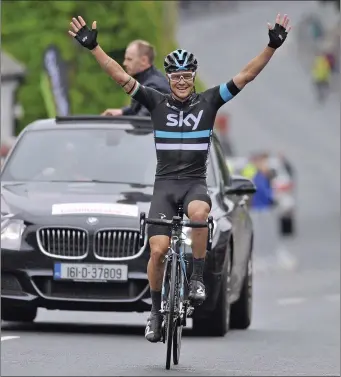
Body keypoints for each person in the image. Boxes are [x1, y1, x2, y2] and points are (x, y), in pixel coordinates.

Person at [68, 12, 291, 342]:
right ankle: (156, 312)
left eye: (188, 77)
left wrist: (271, 47)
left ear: (193, 77)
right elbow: (119, 76)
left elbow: (246, 75)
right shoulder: (155, 102)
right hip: (165, 186)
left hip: (194, 184)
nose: (183, 82)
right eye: (177, 77)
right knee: (157, 251)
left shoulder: (209, 101)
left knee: (201, 214)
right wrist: (94, 48)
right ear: (169, 78)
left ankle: (197, 277)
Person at [101, 40, 170, 116]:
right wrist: (122, 112)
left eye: (129, 59)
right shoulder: (148, 80)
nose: (124, 63)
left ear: (144, 60)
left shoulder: (154, 87)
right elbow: (138, 107)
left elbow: (142, 122)